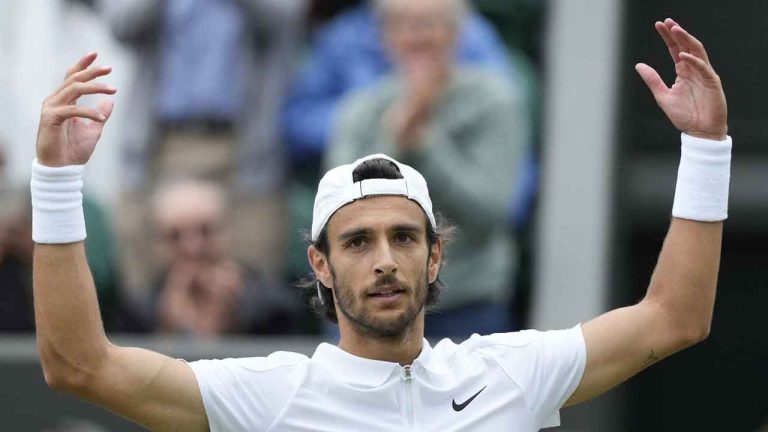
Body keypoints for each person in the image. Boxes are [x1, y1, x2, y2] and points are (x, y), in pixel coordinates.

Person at [31, 19, 729, 431]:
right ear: (321, 266)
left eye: (404, 237)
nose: (385, 259)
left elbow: (675, 317)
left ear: (434, 259)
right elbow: (78, 365)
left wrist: (706, 150)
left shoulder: (513, 374)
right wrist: (56, 181)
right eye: (358, 242)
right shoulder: (270, 396)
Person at [326, 0, 530, 339]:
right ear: (385, 36)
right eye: (404, 24)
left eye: (428, 24)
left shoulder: (494, 101)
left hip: (466, 306)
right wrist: (398, 139)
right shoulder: (359, 111)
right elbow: (341, 214)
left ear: (455, 33)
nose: (416, 37)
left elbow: (491, 211)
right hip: (368, 308)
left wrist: (425, 144)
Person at [100, 0, 305, 306]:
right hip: (162, 145)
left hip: (247, 149)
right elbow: (121, 24)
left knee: (252, 282)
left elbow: (286, 18)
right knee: (146, 281)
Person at [149, 179, 299, 336]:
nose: (193, 247)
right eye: (175, 236)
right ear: (157, 244)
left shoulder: (275, 308)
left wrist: (236, 319)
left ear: (228, 233)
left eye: (206, 231)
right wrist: (167, 329)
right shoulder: (138, 313)